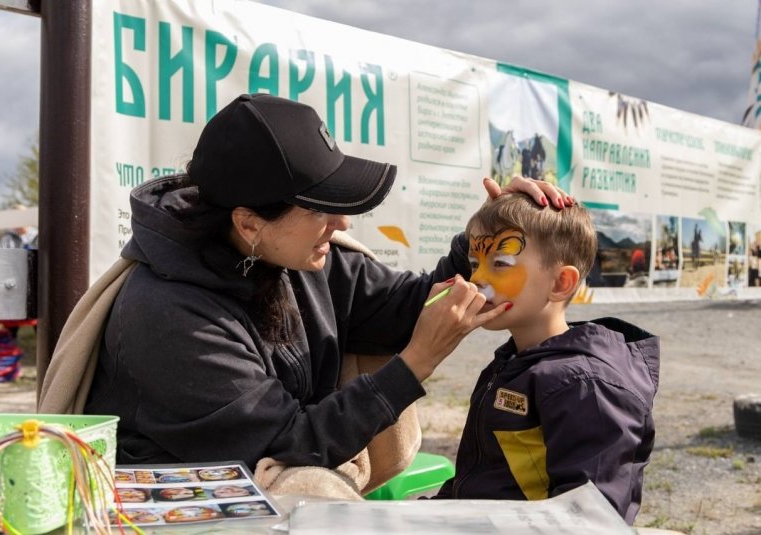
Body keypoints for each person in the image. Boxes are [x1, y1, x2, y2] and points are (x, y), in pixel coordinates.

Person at [40, 93, 569, 493]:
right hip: (173, 499)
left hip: (273, 459)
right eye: (319, 208)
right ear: (248, 222)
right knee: (310, 490)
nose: (341, 221)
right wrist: (418, 362)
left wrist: (478, 242)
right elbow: (288, 443)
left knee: (371, 367)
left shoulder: (296, 255)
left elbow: (404, 308)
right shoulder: (168, 315)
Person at [434, 193, 660, 525]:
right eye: (474, 263)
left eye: (500, 263)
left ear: (560, 283)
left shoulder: (586, 385)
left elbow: (591, 519)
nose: (478, 277)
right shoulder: (511, 363)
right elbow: (481, 479)